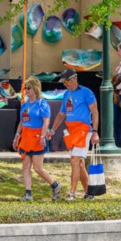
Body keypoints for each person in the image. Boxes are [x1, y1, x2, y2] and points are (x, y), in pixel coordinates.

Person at [46, 68, 100, 201]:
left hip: (83, 129)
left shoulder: (86, 92)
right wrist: (52, 130)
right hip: (71, 131)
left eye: (66, 81)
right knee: (79, 163)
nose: (65, 84)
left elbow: (95, 112)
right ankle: (89, 193)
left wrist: (95, 132)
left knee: (74, 160)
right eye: (63, 82)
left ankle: (72, 194)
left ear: (74, 78)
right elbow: (61, 114)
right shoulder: (66, 95)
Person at [12, 76, 62, 201]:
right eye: (25, 88)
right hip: (26, 138)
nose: (26, 91)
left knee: (38, 168)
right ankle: (28, 194)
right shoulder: (24, 104)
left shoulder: (42, 103)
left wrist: (42, 137)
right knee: (25, 166)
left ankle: (55, 185)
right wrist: (17, 136)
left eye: (29, 88)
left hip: (37, 137)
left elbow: (46, 121)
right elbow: (22, 122)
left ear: (35, 89)